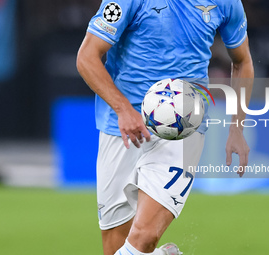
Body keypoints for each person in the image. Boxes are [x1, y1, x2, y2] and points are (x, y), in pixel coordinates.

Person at [76, 0, 254, 254]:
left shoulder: (225, 3)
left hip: (183, 128)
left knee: (144, 237)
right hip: (123, 129)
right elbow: (86, 57)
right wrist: (123, 109)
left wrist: (237, 128)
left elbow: (243, 61)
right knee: (116, 247)